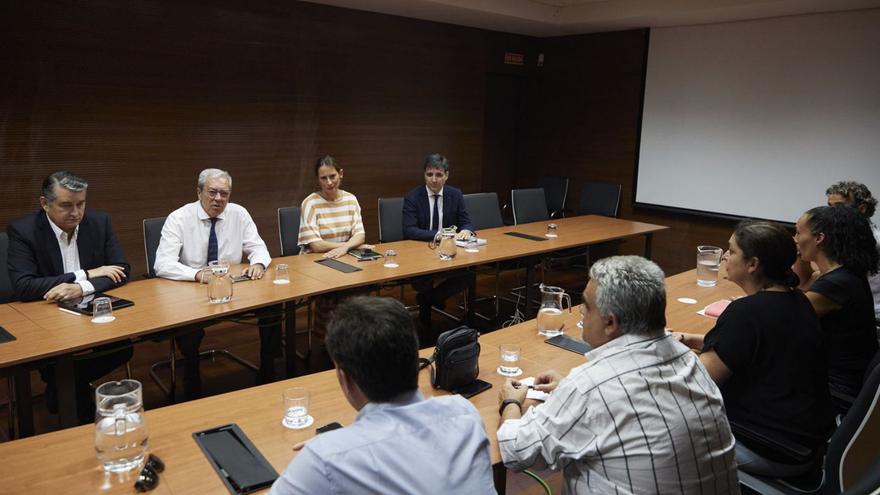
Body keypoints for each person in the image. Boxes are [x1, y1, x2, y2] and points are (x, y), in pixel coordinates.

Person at [497, 255, 738, 494]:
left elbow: (517, 451)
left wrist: (510, 402)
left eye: (586, 306)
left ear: (610, 323)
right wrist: (569, 390)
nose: (581, 311)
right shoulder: (689, 360)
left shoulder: (590, 386)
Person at [269, 296, 496, 495]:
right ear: (414, 360)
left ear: (343, 378)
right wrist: (342, 444)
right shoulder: (464, 414)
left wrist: (333, 448)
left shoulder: (324, 460)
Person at [676, 221, 834, 476]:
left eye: (732, 251)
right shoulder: (796, 300)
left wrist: (659, 353)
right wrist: (691, 339)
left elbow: (699, 383)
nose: (725, 256)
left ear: (753, 264)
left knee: (660, 428)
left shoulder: (746, 313)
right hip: (806, 441)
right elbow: (748, 346)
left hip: (769, 446)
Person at [6, 171, 133, 424]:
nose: (76, 212)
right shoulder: (24, 231)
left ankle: (59, 387)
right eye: (66, 205)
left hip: (92, 316)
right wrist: (85, 273)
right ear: (45, 204)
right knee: (58, 363)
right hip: (45, 322)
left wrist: (81, 287)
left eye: (81, 204)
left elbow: (121, 269)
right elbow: (23, 286)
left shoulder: (99, 222)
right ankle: (74, 404)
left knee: (123, 347)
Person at [154, 168, 280, 399]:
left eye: (224, 193)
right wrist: (197, 275)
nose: (219, 199)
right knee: (188, 328)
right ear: (199, 192)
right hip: (193, 291)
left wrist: (259, 264)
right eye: (212, 192)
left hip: (232, 287)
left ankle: (269, 367)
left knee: (273, 306)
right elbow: (162, 264)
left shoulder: (239, 214)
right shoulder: (179, 218)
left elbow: (258, 247)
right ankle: (191, 374)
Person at [794, 204, 879, 399]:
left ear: (819, 238)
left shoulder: (836, 284)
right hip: (837, 378)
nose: (795, 239)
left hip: (834, 389)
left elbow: (777, 319)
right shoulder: (844, 274)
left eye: (798, 233)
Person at [402, 153, 476, 335]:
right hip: (421, 252)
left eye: (438, 175)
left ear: (446, 175)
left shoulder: (455, 194)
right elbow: (409, 230)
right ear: (424, 175)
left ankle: (428, 299)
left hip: (451, 251)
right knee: (423, 278)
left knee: (469, 275)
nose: (434, 180)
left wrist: (467, 229)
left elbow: (466, 221)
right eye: (429, 175)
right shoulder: (413, 197)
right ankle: (427, 309)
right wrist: (437, 235)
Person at [825, 181, 880, 320]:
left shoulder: (874, 240)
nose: (831, 213)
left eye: (839, 207)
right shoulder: (837, 233)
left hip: (870, 314)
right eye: (829, 207)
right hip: (845, 305)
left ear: (862, 209)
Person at [297, 155, 367, 258]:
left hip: (343, 256)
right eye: (323, 178)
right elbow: (316, 245)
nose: (329, 182)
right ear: (318, 179)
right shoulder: (310, 203)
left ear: (341, 174)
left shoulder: (351, 199)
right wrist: (348, 246)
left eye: (332, 176)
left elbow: (360, 235)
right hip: (315, 259)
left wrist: (345, 248)